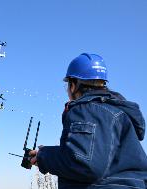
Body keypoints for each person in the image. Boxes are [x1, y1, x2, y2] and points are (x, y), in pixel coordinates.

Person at [30, 53, 147, 188]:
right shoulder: (118, 112)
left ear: (73, 85)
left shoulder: (87, 109)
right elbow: (94, 155)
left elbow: (84, 163)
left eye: (68, 85)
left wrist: (44, 156)